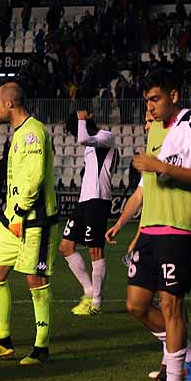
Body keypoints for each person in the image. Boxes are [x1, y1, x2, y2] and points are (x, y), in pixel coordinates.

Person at [104, 69, 191, 381]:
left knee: (171, 308)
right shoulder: (153, 130)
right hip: (150, 229)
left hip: (179, 228)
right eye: (147, 101)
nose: (149, 107)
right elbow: (143, 187)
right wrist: (122, 222)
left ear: (174, 96)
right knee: (136, 305)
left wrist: (161, 166)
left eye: (155, 99)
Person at [0, 83, 58, 366]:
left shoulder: (33, 132)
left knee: (35, 279)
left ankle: (41, 347)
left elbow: (34, 180)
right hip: (11, 219)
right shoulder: (20, 133)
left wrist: (19, 215)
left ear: (10, 104)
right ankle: (2, 341)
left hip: (34, 221)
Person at [59, 110, 116, 317]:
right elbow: (84, 140)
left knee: (95, 250)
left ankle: (97, 301)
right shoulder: (90, 144)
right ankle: (89, 290)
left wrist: (81, 120)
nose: (76, 136)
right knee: (65, 246)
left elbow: (84, 139)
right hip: (84, 200)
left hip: (99, 199)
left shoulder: (106, 137)